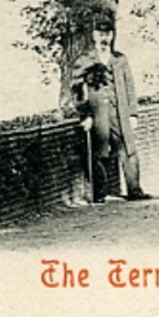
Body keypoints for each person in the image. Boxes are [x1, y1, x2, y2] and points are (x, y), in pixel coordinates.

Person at [60, 16, 150, 203]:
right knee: (98, 153)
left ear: (112, 36)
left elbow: (129, 86)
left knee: (128, 150)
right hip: (98, 113)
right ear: (94, 35)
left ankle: (135, 190)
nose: (104, 38)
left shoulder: (120, 59)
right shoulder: (85, 60)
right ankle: (100, 193)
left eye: (107, 34)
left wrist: (133, 113)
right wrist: (84, 114)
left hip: (120, 112)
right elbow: (76, 89)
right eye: (100, 34)